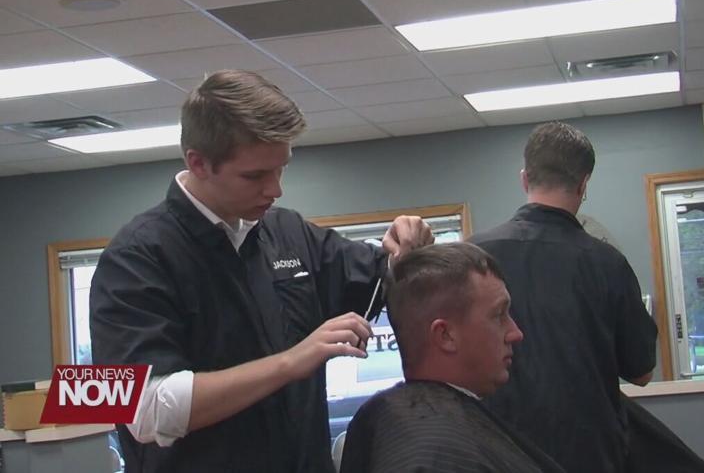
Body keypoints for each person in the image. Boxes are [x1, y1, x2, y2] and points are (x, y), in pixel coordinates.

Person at [89, 69, 433, 473]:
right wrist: (290, 362)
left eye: (281, 168)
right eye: (254, 175)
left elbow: (379, 278)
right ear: (198, 163)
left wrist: (405, 247)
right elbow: (146, 412)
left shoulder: (287, 232)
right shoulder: (135, 258)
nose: (275, 189)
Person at [469, 121, 658, 473]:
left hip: (497, 455)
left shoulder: (471, 257)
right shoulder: (607, 263)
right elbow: (642, 371)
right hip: (589, 457)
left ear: (524, 178)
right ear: (584, 185)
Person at [339, 243, 566, 473]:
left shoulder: (387, 422)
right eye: (498, 315)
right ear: (445, 335)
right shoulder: (434, 455)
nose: (515, 333)